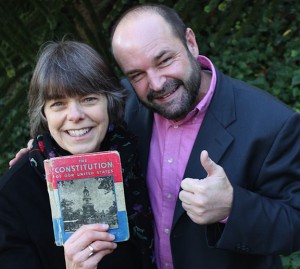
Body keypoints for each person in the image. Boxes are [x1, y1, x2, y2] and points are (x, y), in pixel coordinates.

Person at [8, 3, 300, 269]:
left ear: (190, 42)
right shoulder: (126, 105)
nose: (156, 83)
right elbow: (77, 117)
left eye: (164, 61)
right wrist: (41, 151)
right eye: (137, 74)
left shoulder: (273, 124)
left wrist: (233, 208)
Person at [0, 40, 154, 269]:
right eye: (58, 104)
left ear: (109, 103)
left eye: (88, 99)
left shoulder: (141, 156)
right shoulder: (13, 194)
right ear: (44, 114)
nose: (75, 115)